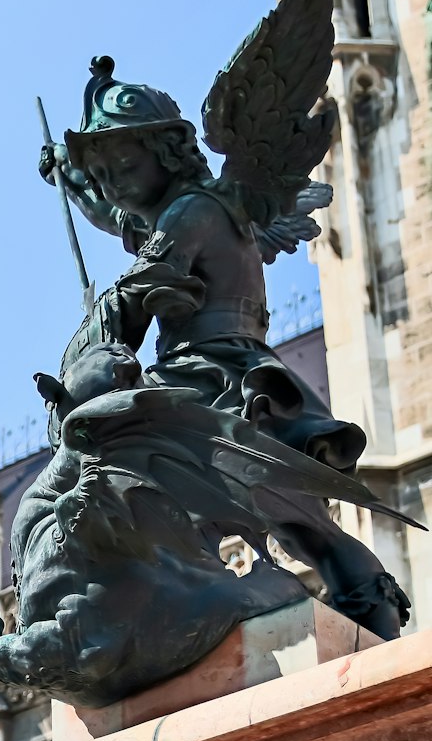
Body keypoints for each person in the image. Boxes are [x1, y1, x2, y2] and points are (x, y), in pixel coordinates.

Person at [40, 55, 410, 640]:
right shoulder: (199, 207)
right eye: (103, 171)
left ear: (165, 152)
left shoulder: (190, 214)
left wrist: (94, 350)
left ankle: (169, 595)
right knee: (301, 522)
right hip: (241, 370)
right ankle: (372, 614)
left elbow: (143, 291)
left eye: (122, 164)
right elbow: (116, 216)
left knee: (119, 455)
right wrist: (73, 175)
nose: (112, 181)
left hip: (208, 372)